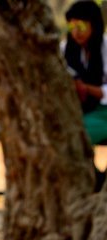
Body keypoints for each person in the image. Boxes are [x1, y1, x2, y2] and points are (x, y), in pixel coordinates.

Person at [63, 0, 107, 189]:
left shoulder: (105, 48)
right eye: (71, 26)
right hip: (76, 111)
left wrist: (87, 89)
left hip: (103, 112)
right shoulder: (65, 49)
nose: (76, 31)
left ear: (93, 25)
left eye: (80, 25)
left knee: (76, 137)